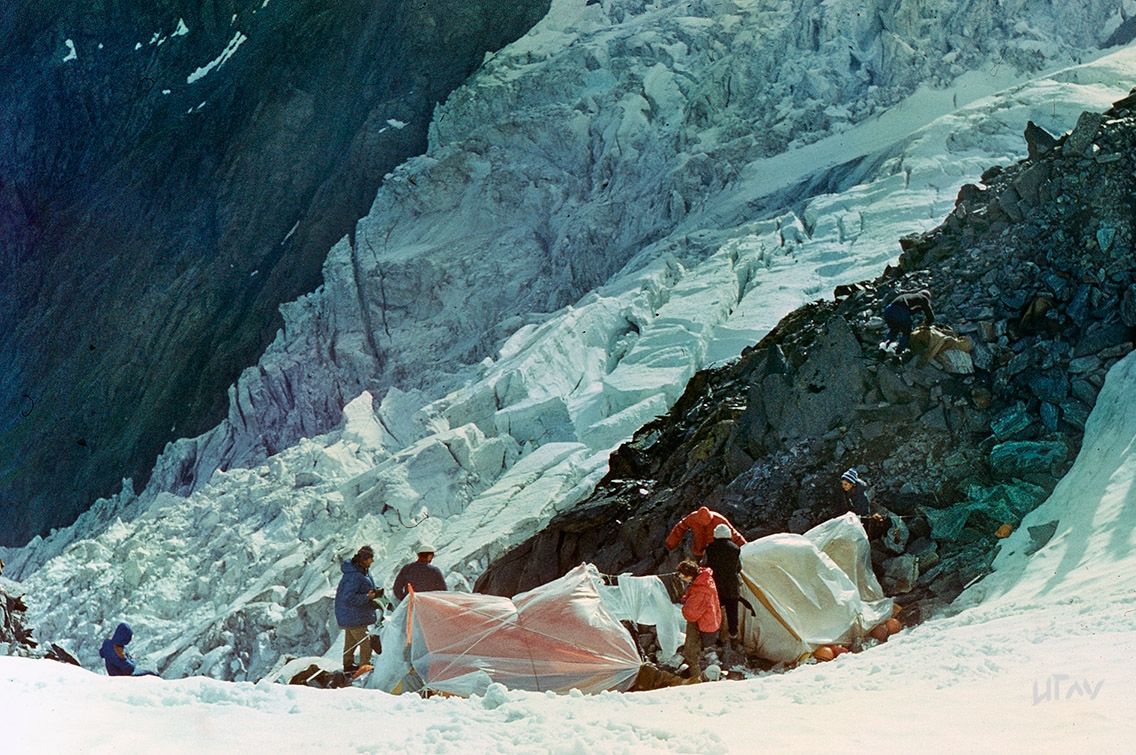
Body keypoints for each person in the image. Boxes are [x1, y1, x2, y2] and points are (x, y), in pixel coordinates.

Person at [335, 545, 382, 673]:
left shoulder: (361, 571)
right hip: (353, 615)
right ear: (364, 559)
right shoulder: (354, 575)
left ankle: (348, 666)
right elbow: (348, 597)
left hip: (351, 615)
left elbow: (363, 587)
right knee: (366, 644)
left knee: (350, 642)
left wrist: (375, 591)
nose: (372, 561)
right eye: (370, 558)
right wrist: (367, 597)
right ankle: (364, 670)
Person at [676, 560, 722, 675]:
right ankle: (707, 668)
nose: (681, 578)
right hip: (710, 619)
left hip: (702, 623)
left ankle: (697, 675)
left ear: (689, 575)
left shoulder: (700, 589)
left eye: (683, 576)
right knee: (704, 649)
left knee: (692, 651)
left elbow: (690, 614)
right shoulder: (703, 579)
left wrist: (684, 606)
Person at [704, 524, 742, 649]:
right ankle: (733, 637)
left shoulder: (710, 548)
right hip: (731, 586)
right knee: (732, 613)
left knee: (717, 612)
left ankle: (718, 639)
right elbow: (739, 568)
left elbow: (706, 565)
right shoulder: (735, 549)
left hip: (716, 586)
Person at [664, 506, 746, 559]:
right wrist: (670, 544)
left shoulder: (719, 519)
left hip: (715, 551)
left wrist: (745, 546)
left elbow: (734, 534)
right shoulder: (692, 518)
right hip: (698, 550)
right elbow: (680, 528)